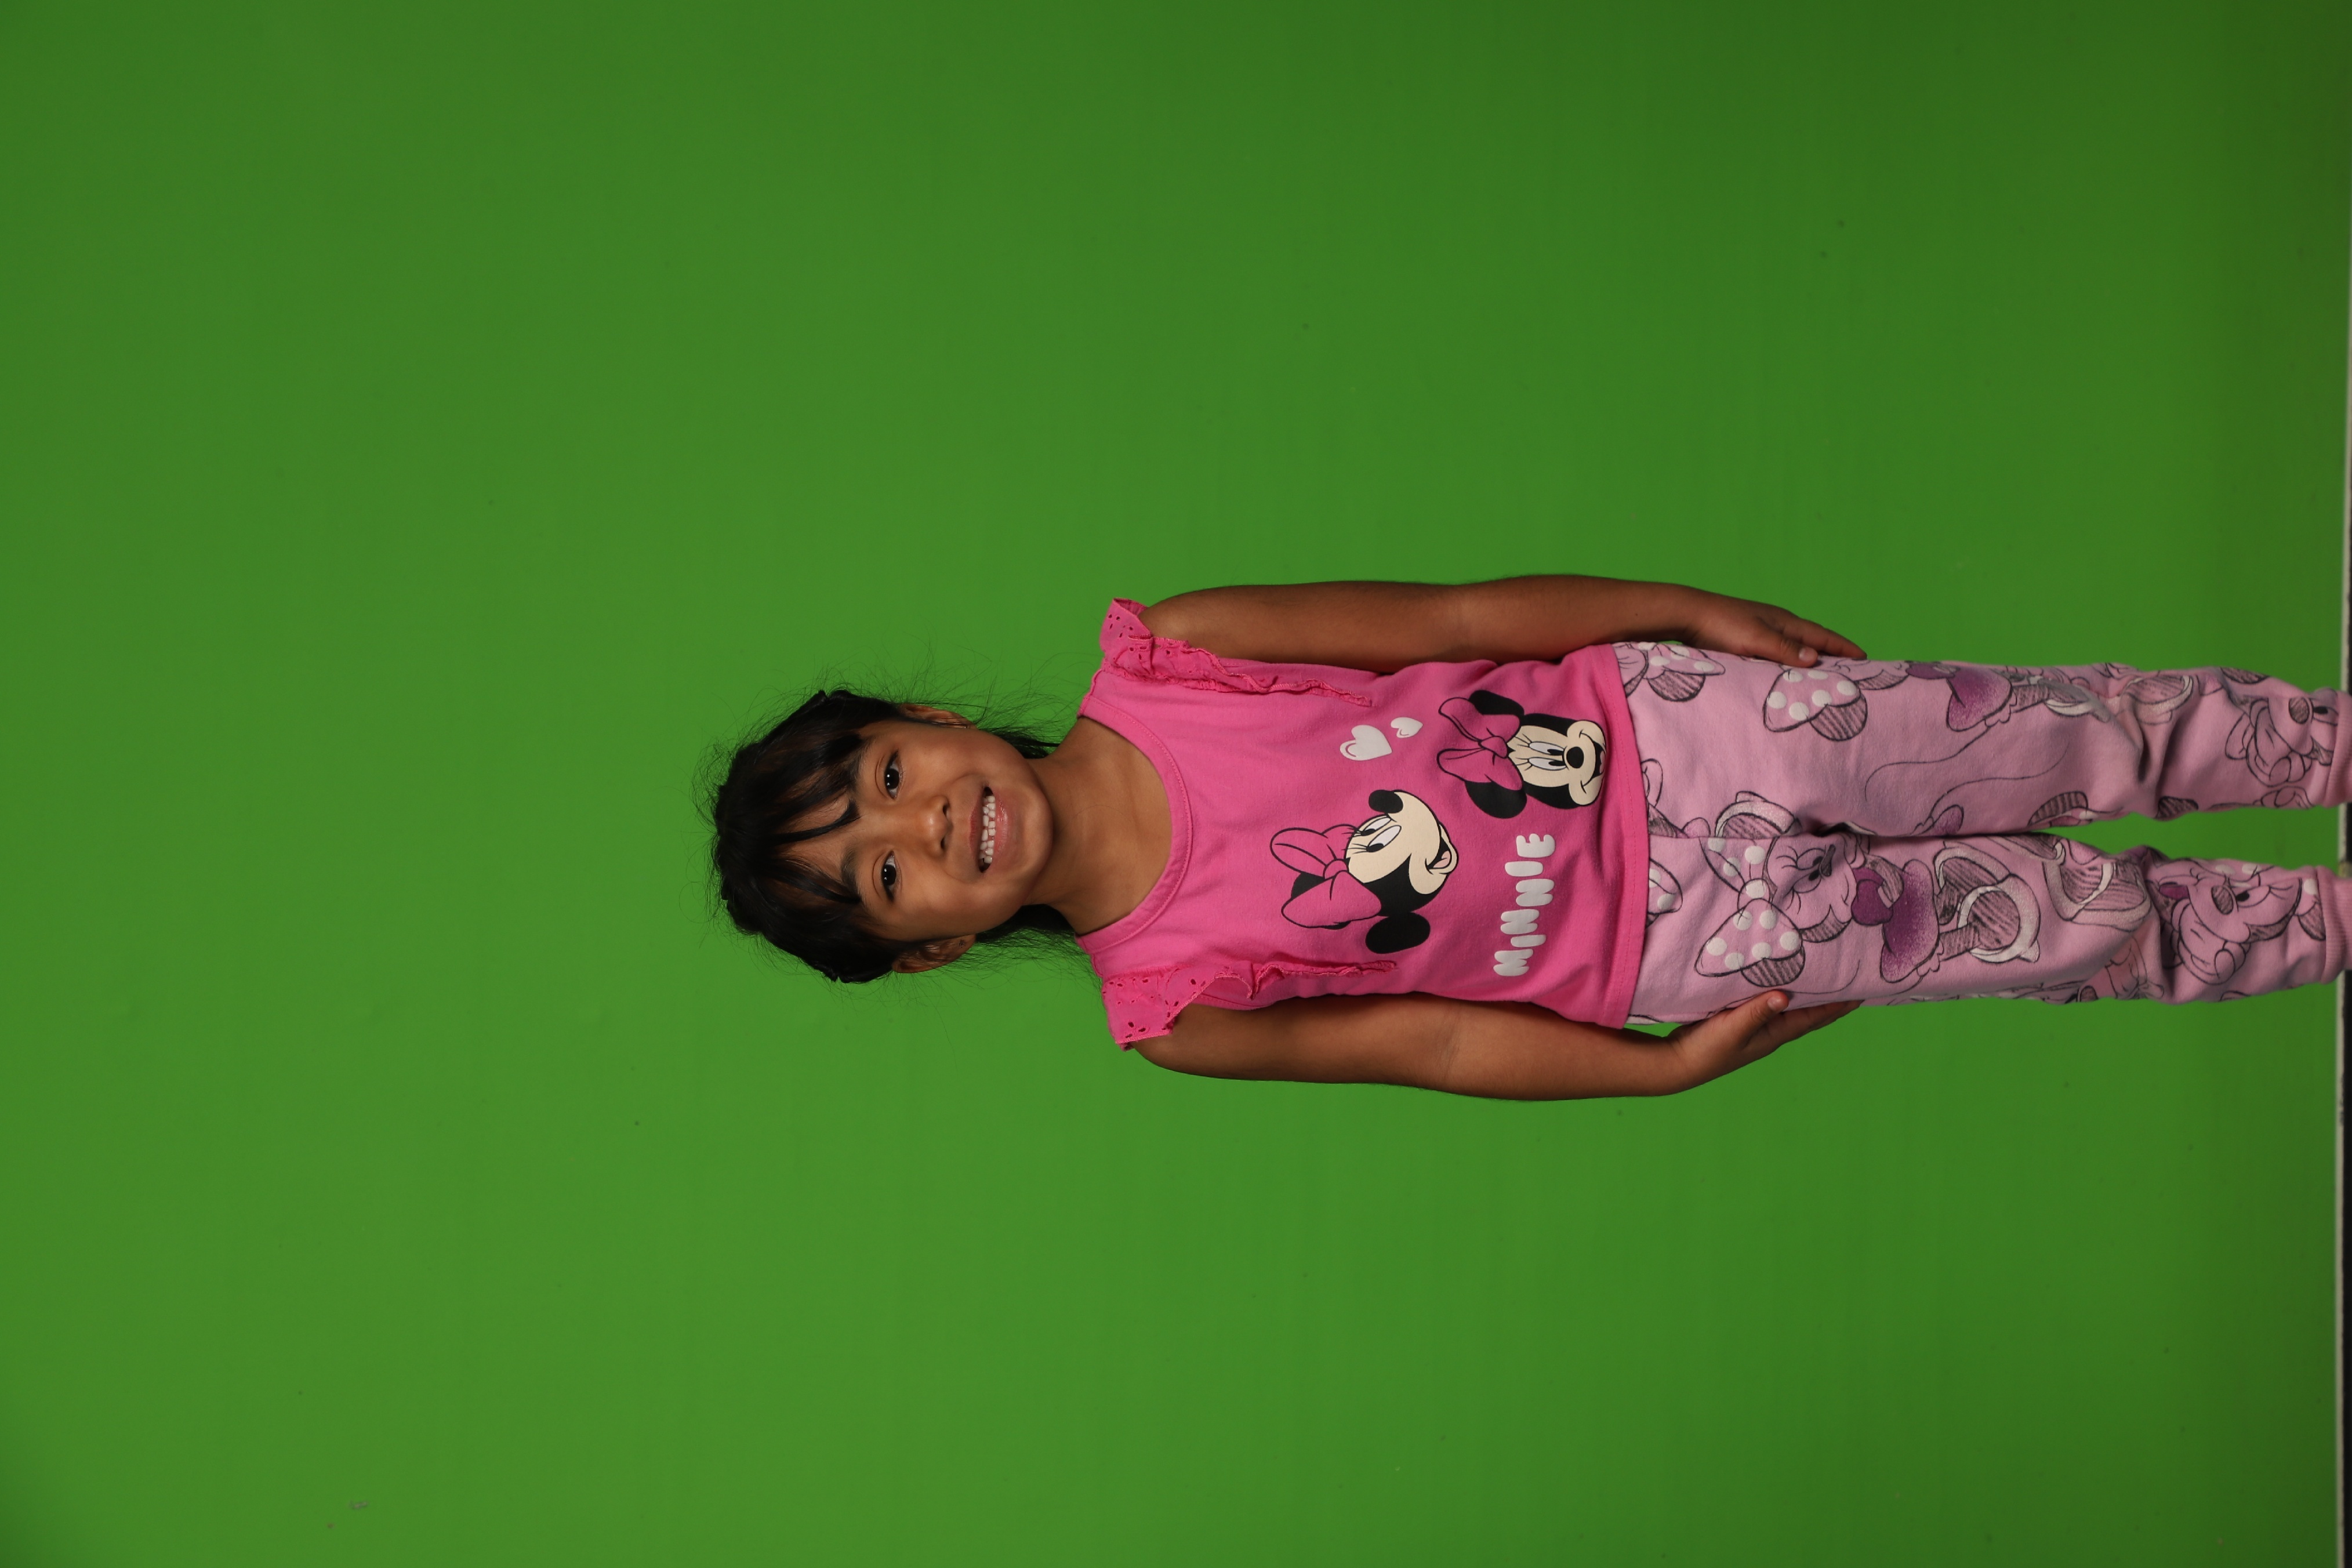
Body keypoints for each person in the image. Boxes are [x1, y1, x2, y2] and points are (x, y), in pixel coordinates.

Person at [706, 578, 2348, 1099]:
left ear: (928, 717)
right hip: (1684, 948)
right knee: (2074, 930)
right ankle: (2327, 925)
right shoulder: (1172, 1009)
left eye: (890, 771)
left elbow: (1455, 616)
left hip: (1687, 723)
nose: (928, 818)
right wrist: (1659, 1072)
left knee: (2071, 736)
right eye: (886, 870)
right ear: (930, 944)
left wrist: (1679, 611)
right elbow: (1430, 1040)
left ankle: (2323, 742)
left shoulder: (1175, 654)